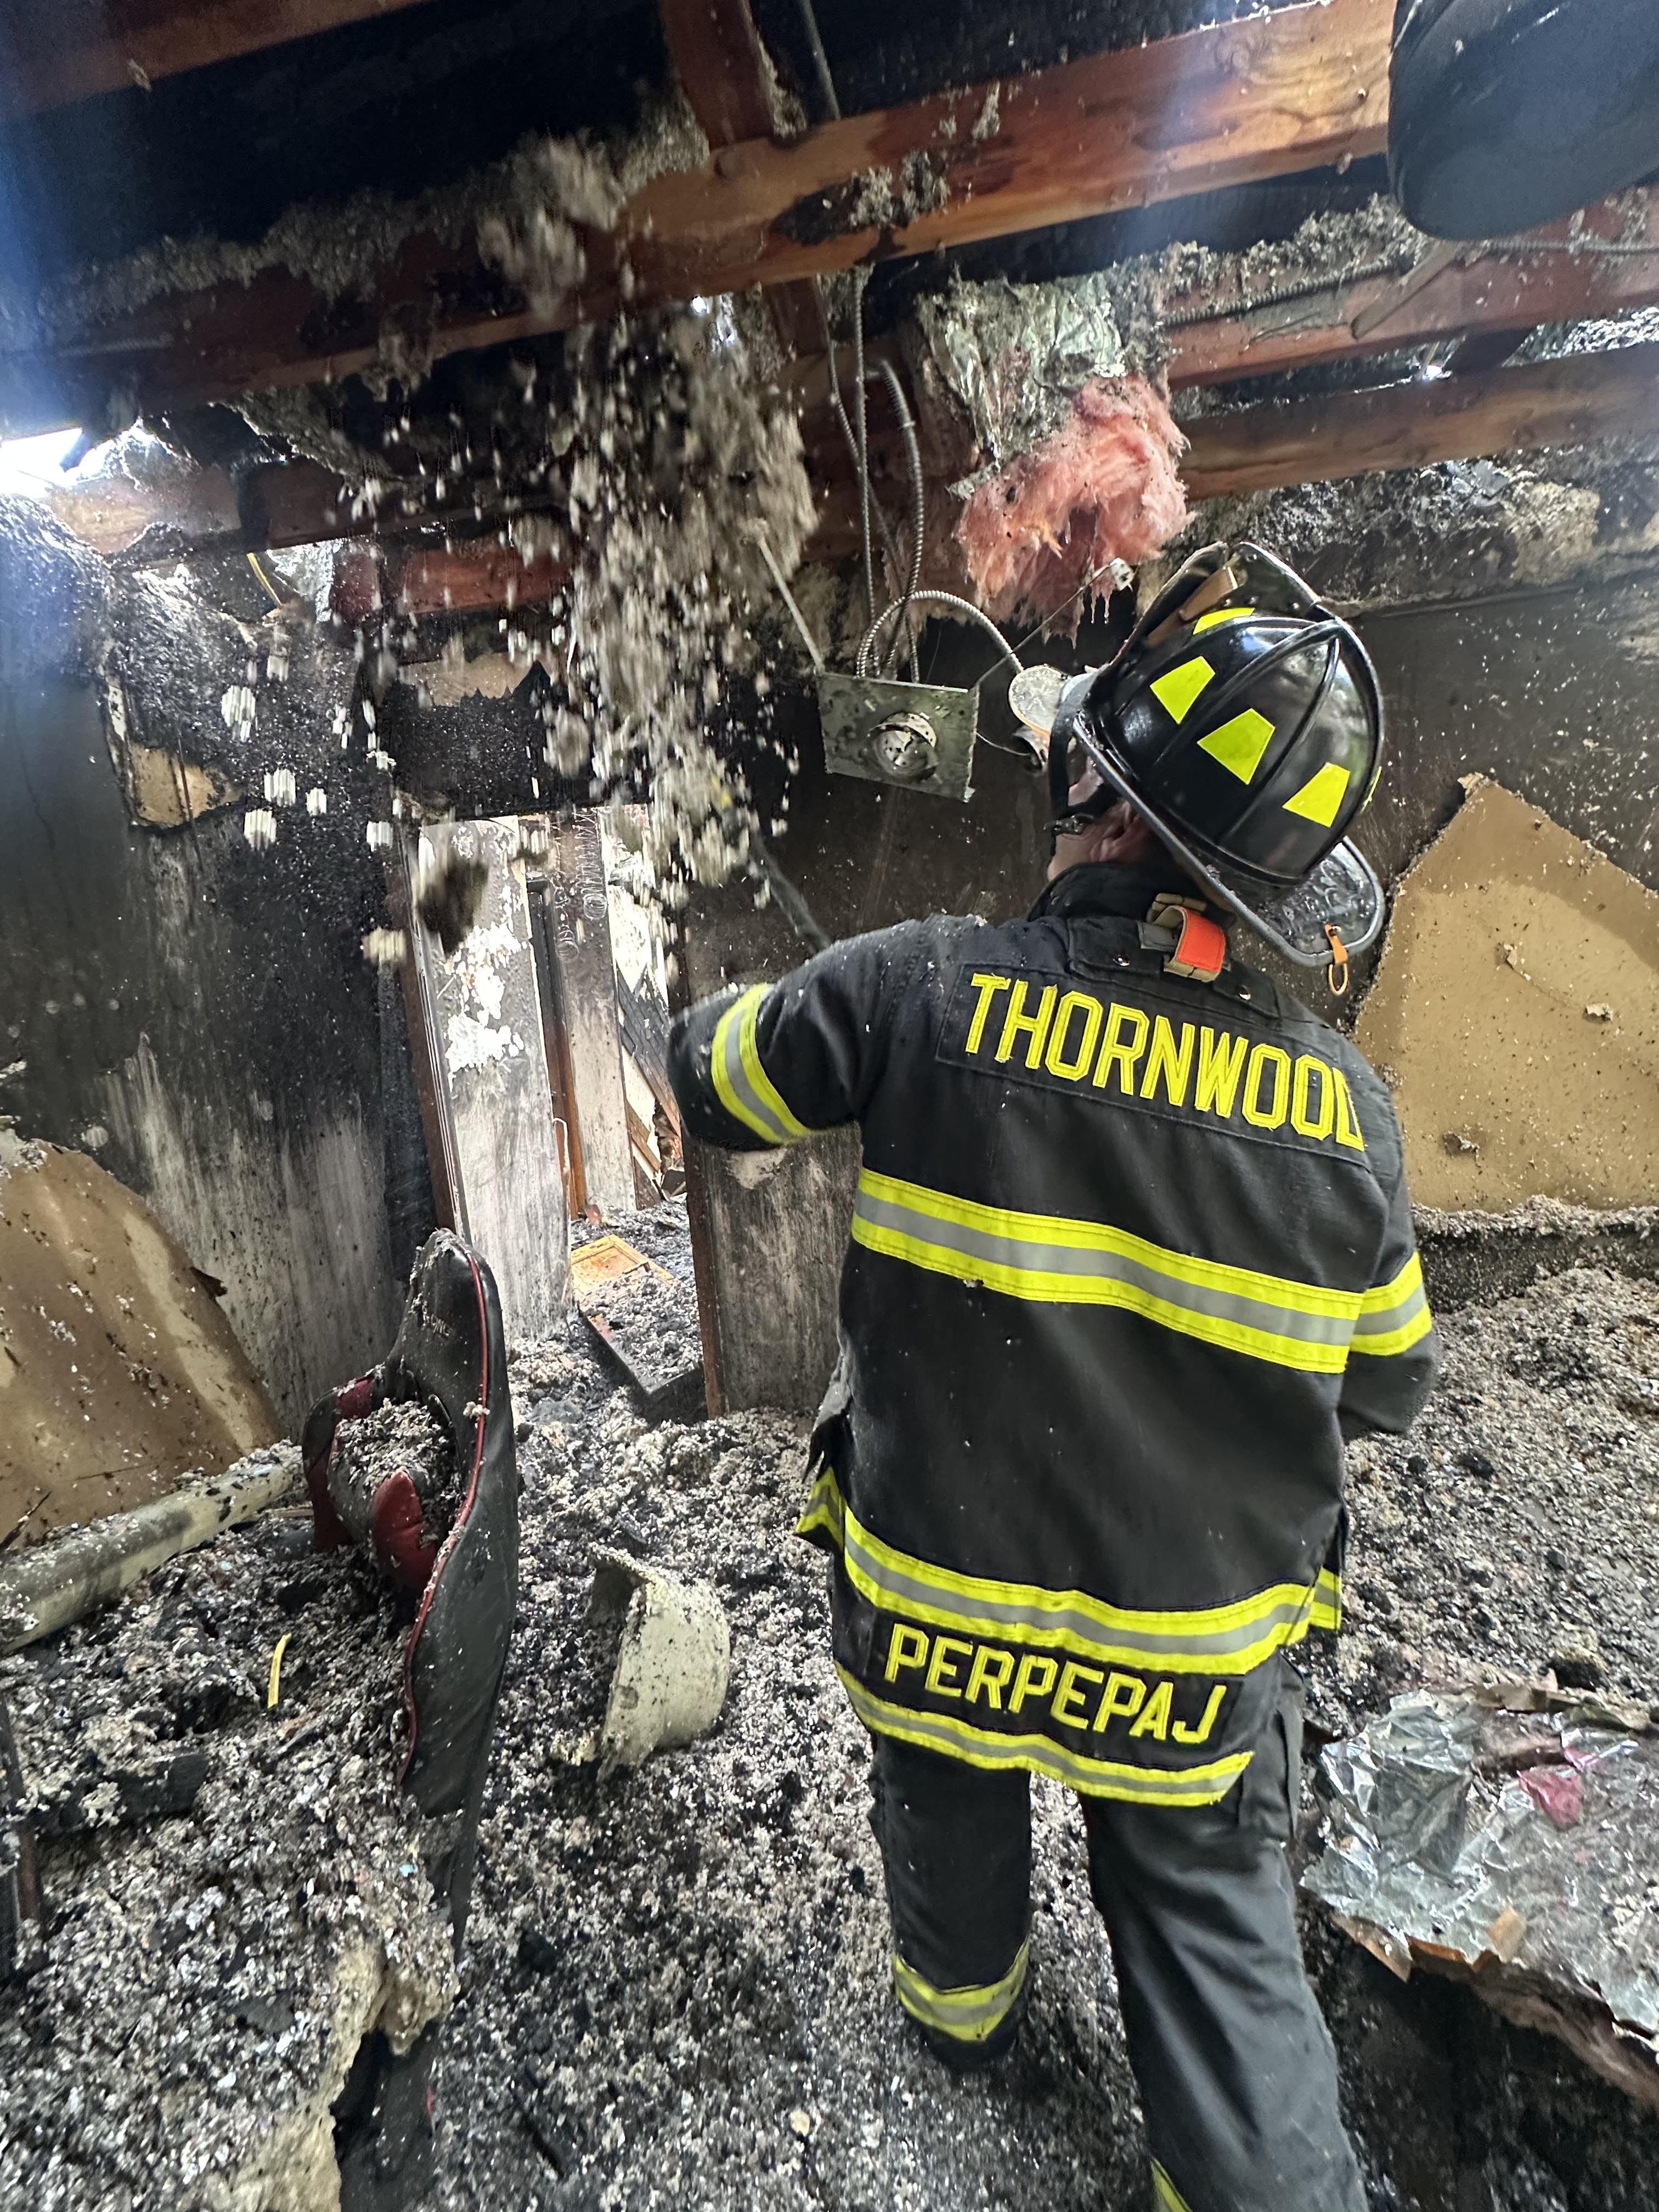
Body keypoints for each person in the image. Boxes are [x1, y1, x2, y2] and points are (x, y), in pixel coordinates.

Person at [667, 541, 1438, 2212]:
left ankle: (966, 2029)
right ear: (1277, 892)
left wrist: (762, 1002)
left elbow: (717, 1081)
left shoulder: (914, 987)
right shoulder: (1349, 1124)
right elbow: (1385, 1390)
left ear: (1094, 791)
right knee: (1215, 1929)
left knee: (943, 1802)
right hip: (1182, 1667)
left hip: (940, 1602)